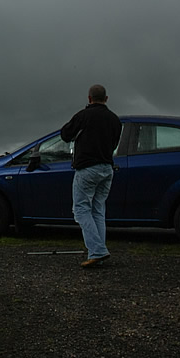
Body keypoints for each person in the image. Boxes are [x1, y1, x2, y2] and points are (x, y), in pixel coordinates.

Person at [60, 84, 122, 268]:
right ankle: (97, 252)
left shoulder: (83, 116)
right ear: (107, 98)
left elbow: (65, 135)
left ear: (89, 98)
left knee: (80, 210)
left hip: (87, 169)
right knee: (98, 210)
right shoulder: (115, 120)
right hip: (107, 168)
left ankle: (98, 251)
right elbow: (114, 144)